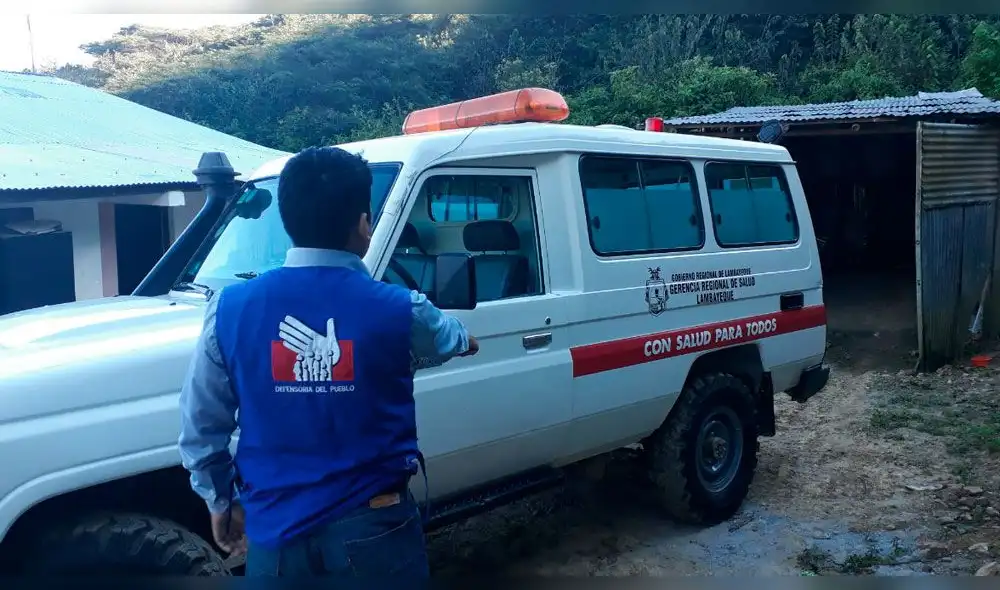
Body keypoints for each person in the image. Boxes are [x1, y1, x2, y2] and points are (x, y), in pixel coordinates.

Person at [177, 146, 479, 577]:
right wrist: (467, 341)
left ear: (287, 220)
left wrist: (219, 501)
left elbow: (201, 426)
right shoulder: (402, 308)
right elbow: (450, 338)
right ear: (362, 224)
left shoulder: (228, 308)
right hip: (375, 532)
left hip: (272, 535)